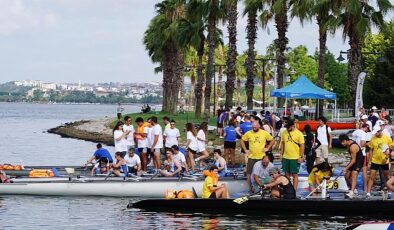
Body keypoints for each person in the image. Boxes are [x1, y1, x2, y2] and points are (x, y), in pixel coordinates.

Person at [241, 121, 275, 193]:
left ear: (259, 126)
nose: (254, 128)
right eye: (253, 127)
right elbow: (242, 140)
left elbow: (272, 140)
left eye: (255, 127)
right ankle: (250, 189)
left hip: (261, 157)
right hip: (252, 157)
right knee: (249, 173)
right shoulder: (249, 133)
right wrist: (245, 150)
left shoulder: (264, 133)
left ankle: (265, 187)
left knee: (263, 173)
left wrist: (268, 148)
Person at [366, 126, 393, 197]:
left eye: (376, 133)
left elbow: (391, 148)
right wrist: (369, 161)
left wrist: (388, 155)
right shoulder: (373, 139)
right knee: (372, 176)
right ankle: (368, 192)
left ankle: (389, 191)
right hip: (375, 161)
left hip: (384, 161)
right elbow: (371, 150)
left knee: (386, 176)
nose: (375, 134)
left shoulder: (387, 138)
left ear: (380, 131)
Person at [280, 119, 305, 190]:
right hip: (286, 157)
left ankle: (294, 191)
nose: (287, 128)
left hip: (295, 157)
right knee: (286, 174)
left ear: (292, 126)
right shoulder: (284, 132)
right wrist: (281, 154)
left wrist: (301, 156)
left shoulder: (299, 133)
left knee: (295, 175)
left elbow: (302, 146)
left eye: (288, 127)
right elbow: (283, 143)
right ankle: (288, 190)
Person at [352, 123, 369, 191]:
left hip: (354, 153)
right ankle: (365, 187)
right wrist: (368, 144)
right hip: (362, 154)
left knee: (354, 171)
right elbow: (362, 144)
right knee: (364, 171)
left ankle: (353, 187)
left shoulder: (354, 132)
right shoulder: (363, 133)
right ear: (366, 128)